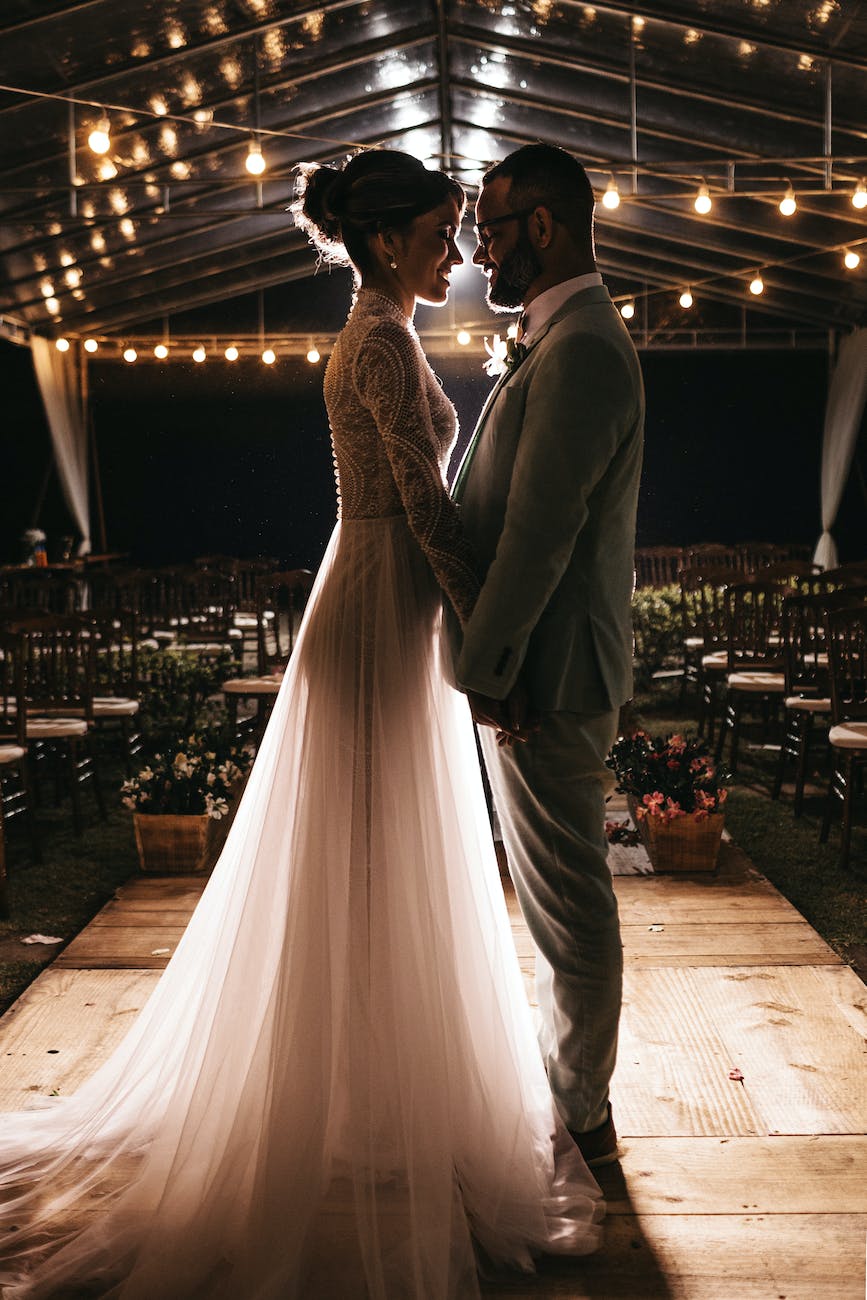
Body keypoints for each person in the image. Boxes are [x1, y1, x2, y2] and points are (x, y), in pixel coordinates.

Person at [0, 150, 603, 1300]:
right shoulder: (378, 341)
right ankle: (357, 1105)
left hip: (383, 601)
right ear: (384, 244)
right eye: (437, 231)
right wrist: (489, 648)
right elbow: (423, 506)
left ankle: (372, 1092)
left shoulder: (389, 329)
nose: (453, 250)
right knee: (374, 860)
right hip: (376, 608)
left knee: (380, 864)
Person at [447, 144, 644, 1166]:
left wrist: (489, 671)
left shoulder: (582, 353)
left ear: (545, 225)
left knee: (571, 909)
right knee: (555, 900)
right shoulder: (555, 338)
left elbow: (539, 537)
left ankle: (584, 1117)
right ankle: (569, 1095)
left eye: (494, 219)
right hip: (533, 668)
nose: (481, 241)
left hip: (547, 677)